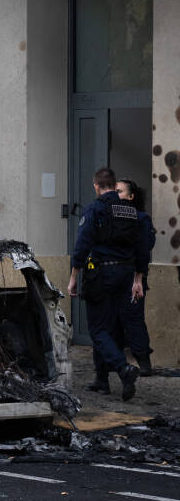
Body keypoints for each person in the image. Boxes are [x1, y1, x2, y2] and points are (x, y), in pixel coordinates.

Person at [67, 167, 147, 400]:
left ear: (96, 186)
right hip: (127, 273)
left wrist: (74, 276)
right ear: (114, 186)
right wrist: (139, 278)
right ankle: (101, 380)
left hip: (102, 273)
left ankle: (123, 369)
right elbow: (142, 248)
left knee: (98, 328)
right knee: (110, 327)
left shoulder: (96, 208)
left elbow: (82, 245)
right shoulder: (131, 211)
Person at [116, 178, 155, 376]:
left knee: (133, 318)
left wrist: (138, 277)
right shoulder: (109, 216)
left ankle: (143, 362)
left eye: (120, 191)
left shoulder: (141, 218)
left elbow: (145, 247)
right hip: (116, 275)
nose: (116, 195)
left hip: (134, 276)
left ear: (131, 197)